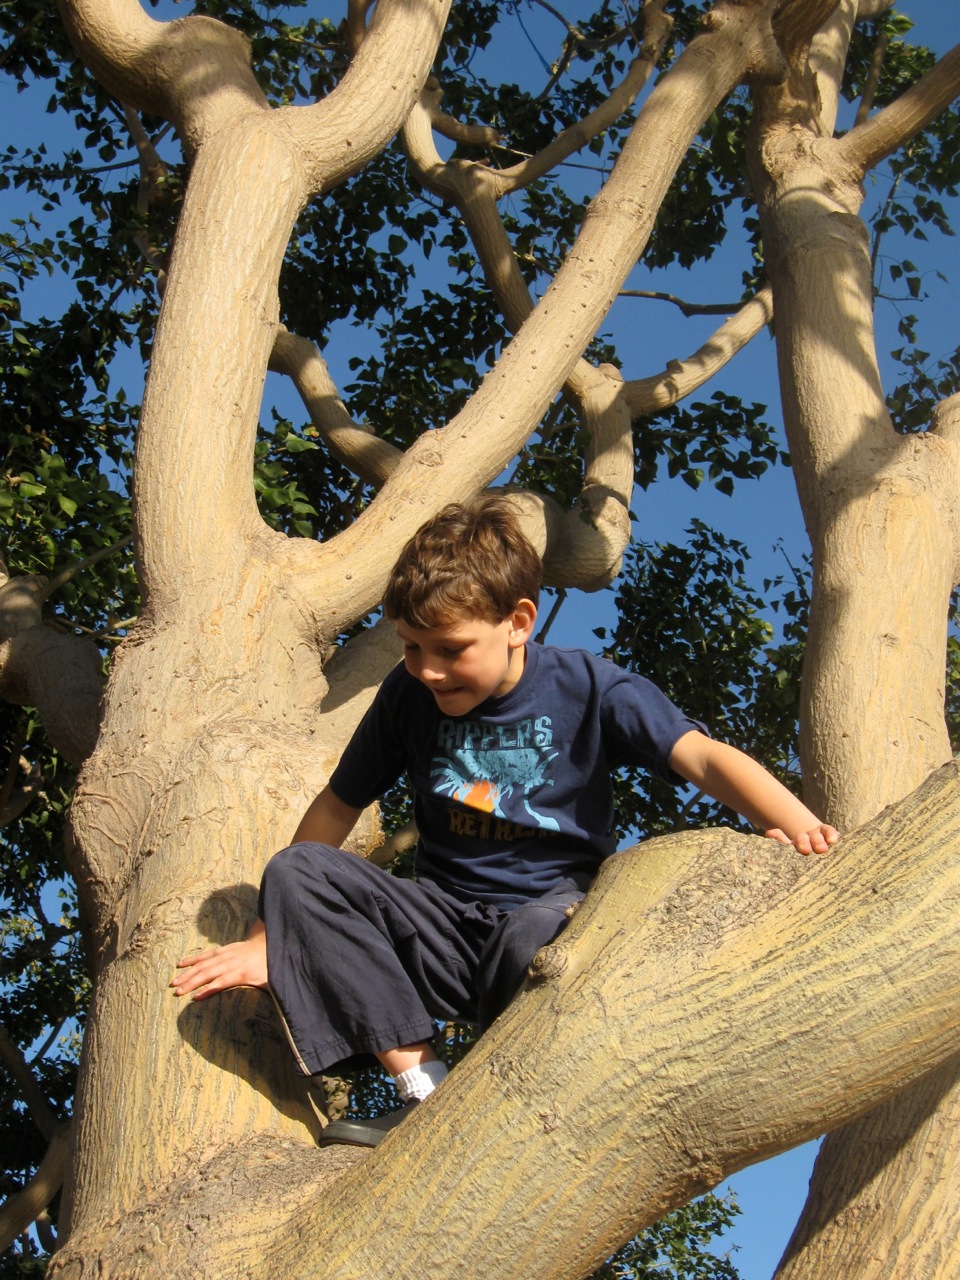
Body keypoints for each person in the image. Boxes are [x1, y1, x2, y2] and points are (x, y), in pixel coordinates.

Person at [172, 495, 838, 1147]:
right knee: (297, 870)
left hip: (549, 922)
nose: (428, 669)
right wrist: (272, 936)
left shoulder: (590, 687)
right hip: (443, 930)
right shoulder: (409, 696)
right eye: (409, 647)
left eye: (450, 648)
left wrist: (804, 831)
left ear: (519, 621)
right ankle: (426, 1094)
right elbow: (336, 807)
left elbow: (703, 759)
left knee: (537, 933)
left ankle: (506, 1104)